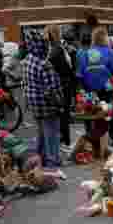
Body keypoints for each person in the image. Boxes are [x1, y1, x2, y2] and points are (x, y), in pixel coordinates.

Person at [78, 27, 113, 148]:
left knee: (93, 117)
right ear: (105, 38)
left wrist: (85, 90)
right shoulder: (110, 52)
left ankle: (94, 142)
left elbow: (79, 74)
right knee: (110, 116)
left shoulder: (85, 54)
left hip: (90, 92)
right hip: (107, 90)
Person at [25, 31, 64, 170]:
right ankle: (52, 160)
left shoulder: (28, 59)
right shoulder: (44, 64)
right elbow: (52, 89)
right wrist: (60, 103)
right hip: (47, 104)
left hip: (34, 102)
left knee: (41, 132)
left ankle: (40, 157)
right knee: (51, 132)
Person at [45, 26, 75, 152]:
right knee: (63, 114)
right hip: (65, 84)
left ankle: (64, 141)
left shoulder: (55, 50)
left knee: (61, 115)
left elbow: (62, 68)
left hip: (61, 84)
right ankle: (65, 140)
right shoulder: (60, 48)